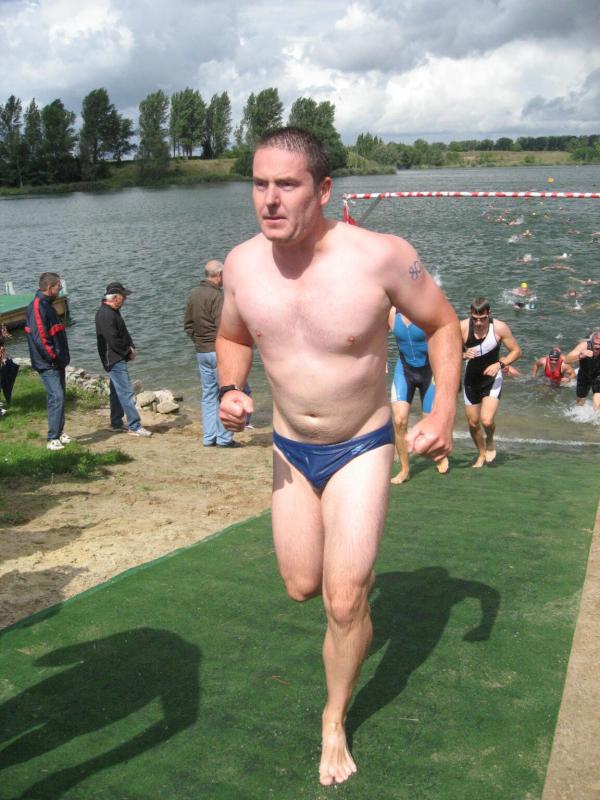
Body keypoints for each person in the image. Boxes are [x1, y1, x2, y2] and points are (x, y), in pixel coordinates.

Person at [215, 127, 461, 786]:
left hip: (361, 445)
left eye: (286, 185)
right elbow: (233, 334)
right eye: (259, 184)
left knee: (345, 600)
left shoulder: (380, 257)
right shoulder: (241, 265)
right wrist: (232, 388)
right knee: (303, 587)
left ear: (322, 190)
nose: (269, 199)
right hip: (290, 448)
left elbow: (443, 324)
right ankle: (348, 606)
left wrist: (441, 412)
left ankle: (334, 718)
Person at [388, 309, 449, 483]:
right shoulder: (391, 314)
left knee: (429, 421)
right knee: (399, 421)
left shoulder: (425, 312)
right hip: (404, 370)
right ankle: (405, 470)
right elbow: (375, 335)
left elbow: (444, 338)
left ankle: (439, 454)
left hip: (429, 371)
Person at [461, 298, 522, 467]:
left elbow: (517, 351)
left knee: (486, 421)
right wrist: (462, 355)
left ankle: (490, 440)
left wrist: (500, 364)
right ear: (471, 315)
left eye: (482, 319)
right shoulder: (463, 327)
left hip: (492, 379)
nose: (478, 323)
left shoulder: (499, 328)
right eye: (475, 319)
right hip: (471, 380)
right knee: (473, 423)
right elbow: (449, 350)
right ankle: (481, 453)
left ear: (489, 313)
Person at [183, 260, 238, 447]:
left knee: (208, 394)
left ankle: (209, 437)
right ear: (219, 275)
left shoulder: (194, 293)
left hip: (202, 351)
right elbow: (222, 326)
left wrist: (198, 341)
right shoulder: (217, 296)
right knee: (226, 393)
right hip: (217, 351)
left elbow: (188, 324)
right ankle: (224, 438)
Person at [95, 282, 152, 437]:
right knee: (126, 392)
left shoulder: (113, 311)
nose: (125, 299)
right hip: (113, 359)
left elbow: (123, 333)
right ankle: (135, 426)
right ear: (115, 298)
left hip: (116, 357)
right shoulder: (106, 314)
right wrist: (128, 352)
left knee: (116, 392)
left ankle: (116, 423)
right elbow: (113, 340)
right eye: (123, 296)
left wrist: (131, 346)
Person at [24, 272, 72, 450]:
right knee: (56, 397)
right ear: (50, 288)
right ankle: (52, 438)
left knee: (60, 397)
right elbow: (42, 339)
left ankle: (59, 432)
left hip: (57, 362)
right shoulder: (38, 307)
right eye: (58, 286)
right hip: (48, 363)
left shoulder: (47, 305)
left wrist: (61, 358)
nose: (60, 288)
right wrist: (54, 358)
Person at [565, 331, 600, 411]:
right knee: (580, 403)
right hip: (584, 374)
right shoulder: (584, 346)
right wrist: (580, 355)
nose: (597, 347)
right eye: (595, 343)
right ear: (591, 342)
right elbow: (567, 360)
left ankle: (597, 416)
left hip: (598, 374)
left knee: (598, 397)